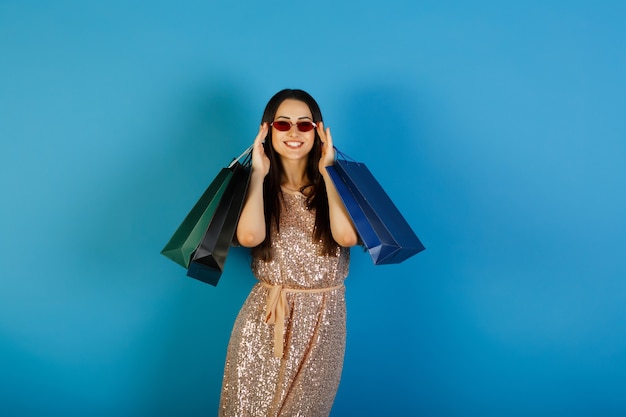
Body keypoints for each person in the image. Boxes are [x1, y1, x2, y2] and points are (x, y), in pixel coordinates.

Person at [219, 89, 358, 416]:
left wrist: (328, 171)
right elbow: (250, 236)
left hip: (324, 322)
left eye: (304, 125)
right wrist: (257, 172)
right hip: (265, 321)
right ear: (267, 131)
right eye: (283, 125)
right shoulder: (260, 188)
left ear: (318, 132)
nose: (294, 132)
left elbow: (347, 236)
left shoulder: (335, 184)